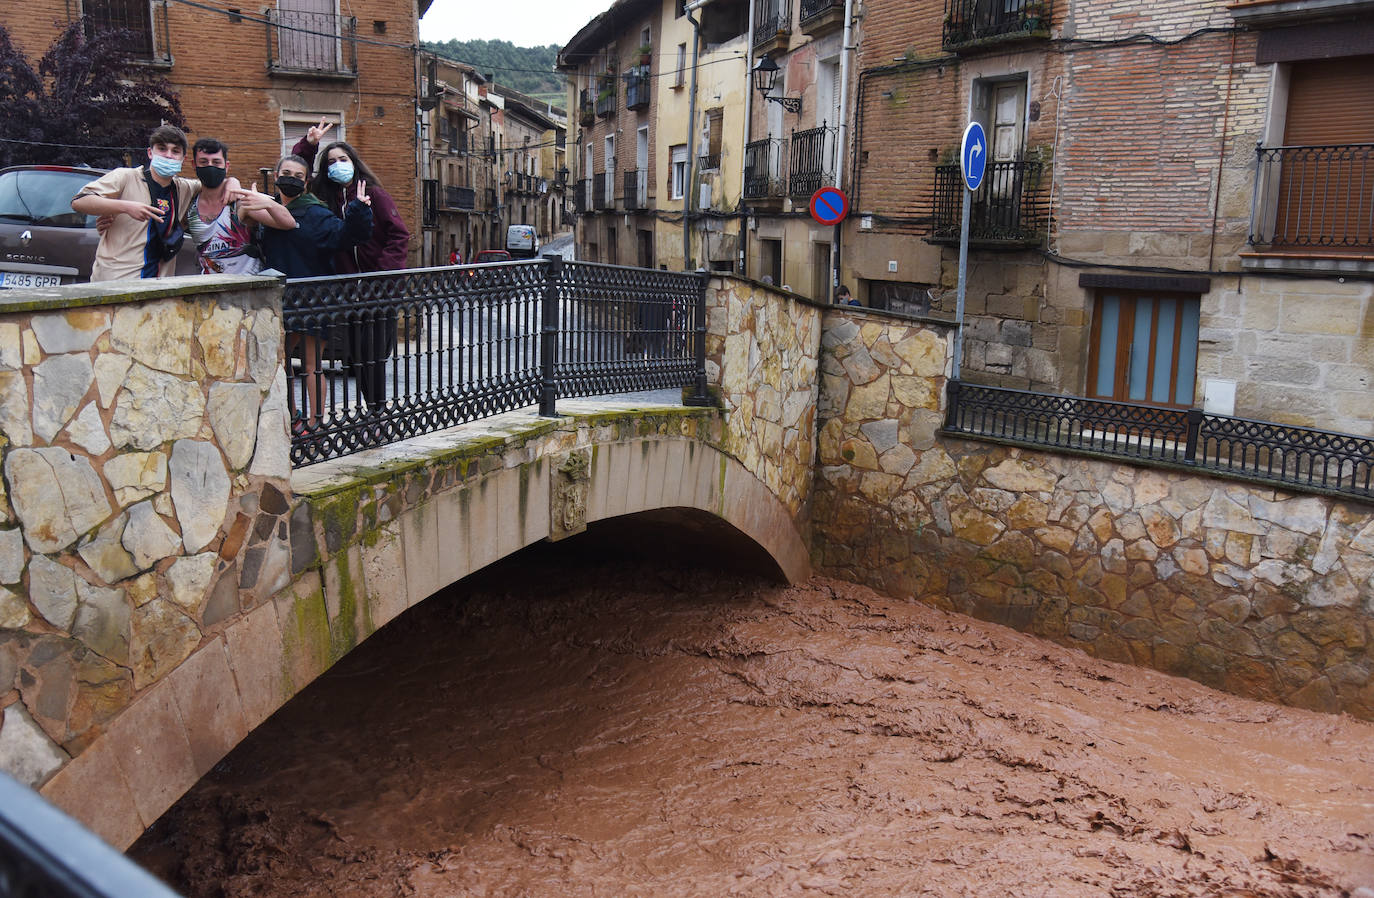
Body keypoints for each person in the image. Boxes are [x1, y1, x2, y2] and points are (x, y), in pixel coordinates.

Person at [294, 119, 410, 418]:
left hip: (379, 290)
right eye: (331, 162)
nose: (337, 165)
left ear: (353, 162)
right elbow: (296, 177)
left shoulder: (376, 195)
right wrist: (308, 146)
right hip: (349, 292)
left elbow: (399, 235)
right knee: (357, 357)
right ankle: (373, 411)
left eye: (342, 159)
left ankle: (377, 411)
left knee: (373, 355)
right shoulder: (326, 200)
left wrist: (381, 275)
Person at [259, 154, 373, 432]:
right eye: (286, 173)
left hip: (313, 297)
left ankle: (316, 424)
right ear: (275, 176)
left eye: (298, 176)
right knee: (277, 361)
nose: (291, 179)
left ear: (307, 181)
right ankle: (290, 415)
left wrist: (358, 209)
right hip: (281, 298)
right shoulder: (266, 209)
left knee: (312, 364)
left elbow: (346, 236)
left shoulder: (316, 213)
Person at [72, 124, 200, 281]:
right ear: (150, 153)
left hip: (158, 287)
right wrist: (126, 207)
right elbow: (79, 201)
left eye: (175, 151)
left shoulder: (184, 188)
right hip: (116, 283)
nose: (168, 155)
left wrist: (232, 182)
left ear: (183, 159)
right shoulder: (125, 177)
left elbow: (216, 186)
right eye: (162, 149)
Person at [185, 138, 294, 274]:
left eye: (216, 162)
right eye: (204, 162)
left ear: (227, 166)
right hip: (210, 289)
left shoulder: (240, 203)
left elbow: (289, 223)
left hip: (247, 288)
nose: (210, 166)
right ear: (194, 165)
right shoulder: (189, 206)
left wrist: (269, 204)